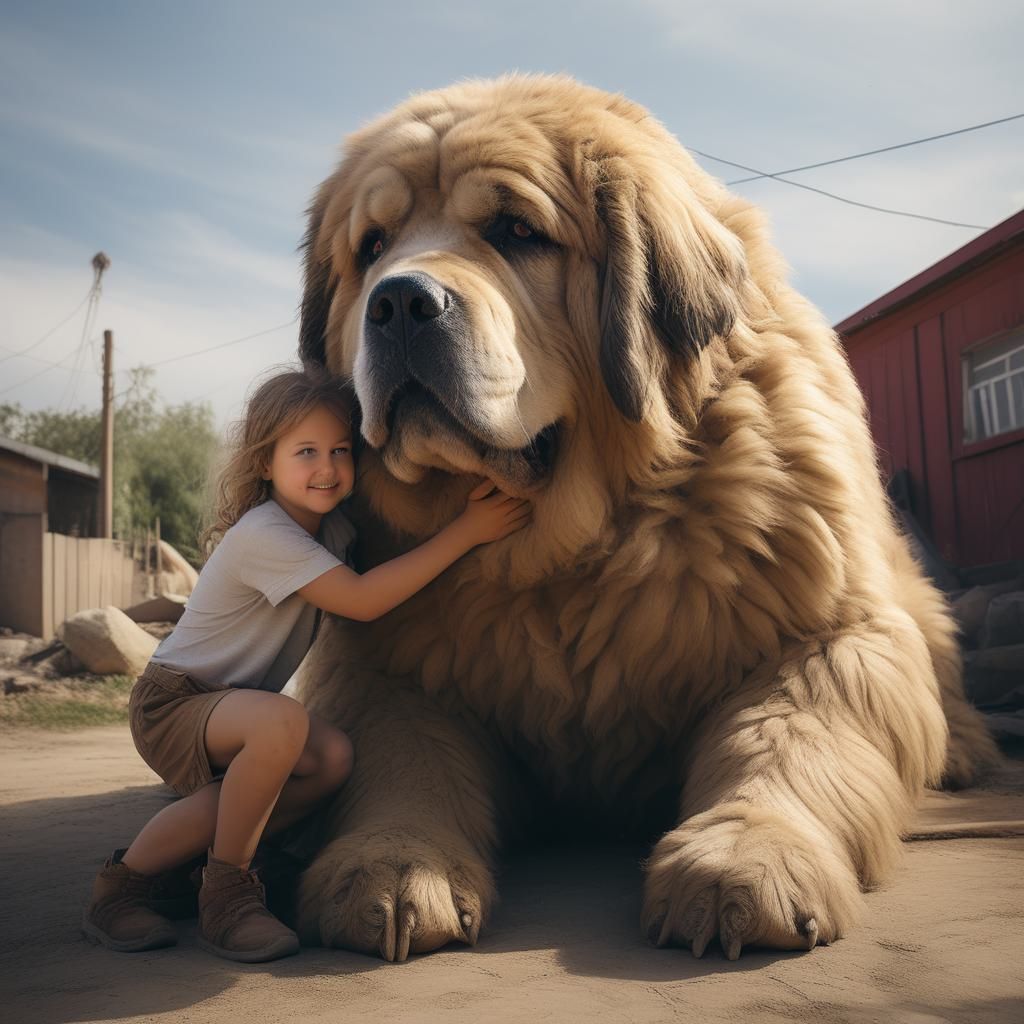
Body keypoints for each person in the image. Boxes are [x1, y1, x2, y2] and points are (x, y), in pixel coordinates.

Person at [82, 367, 530, 963]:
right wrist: (467, 530)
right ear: (265, 464)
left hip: (230, 709)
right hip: (176, 702)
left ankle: (183, 866)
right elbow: (366, 599)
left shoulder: (332, 526)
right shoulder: (266, 535)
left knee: (329, 759)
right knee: (284, 725)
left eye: (341, 450)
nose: (327, 468)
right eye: (307, 452)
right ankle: (204, 894)